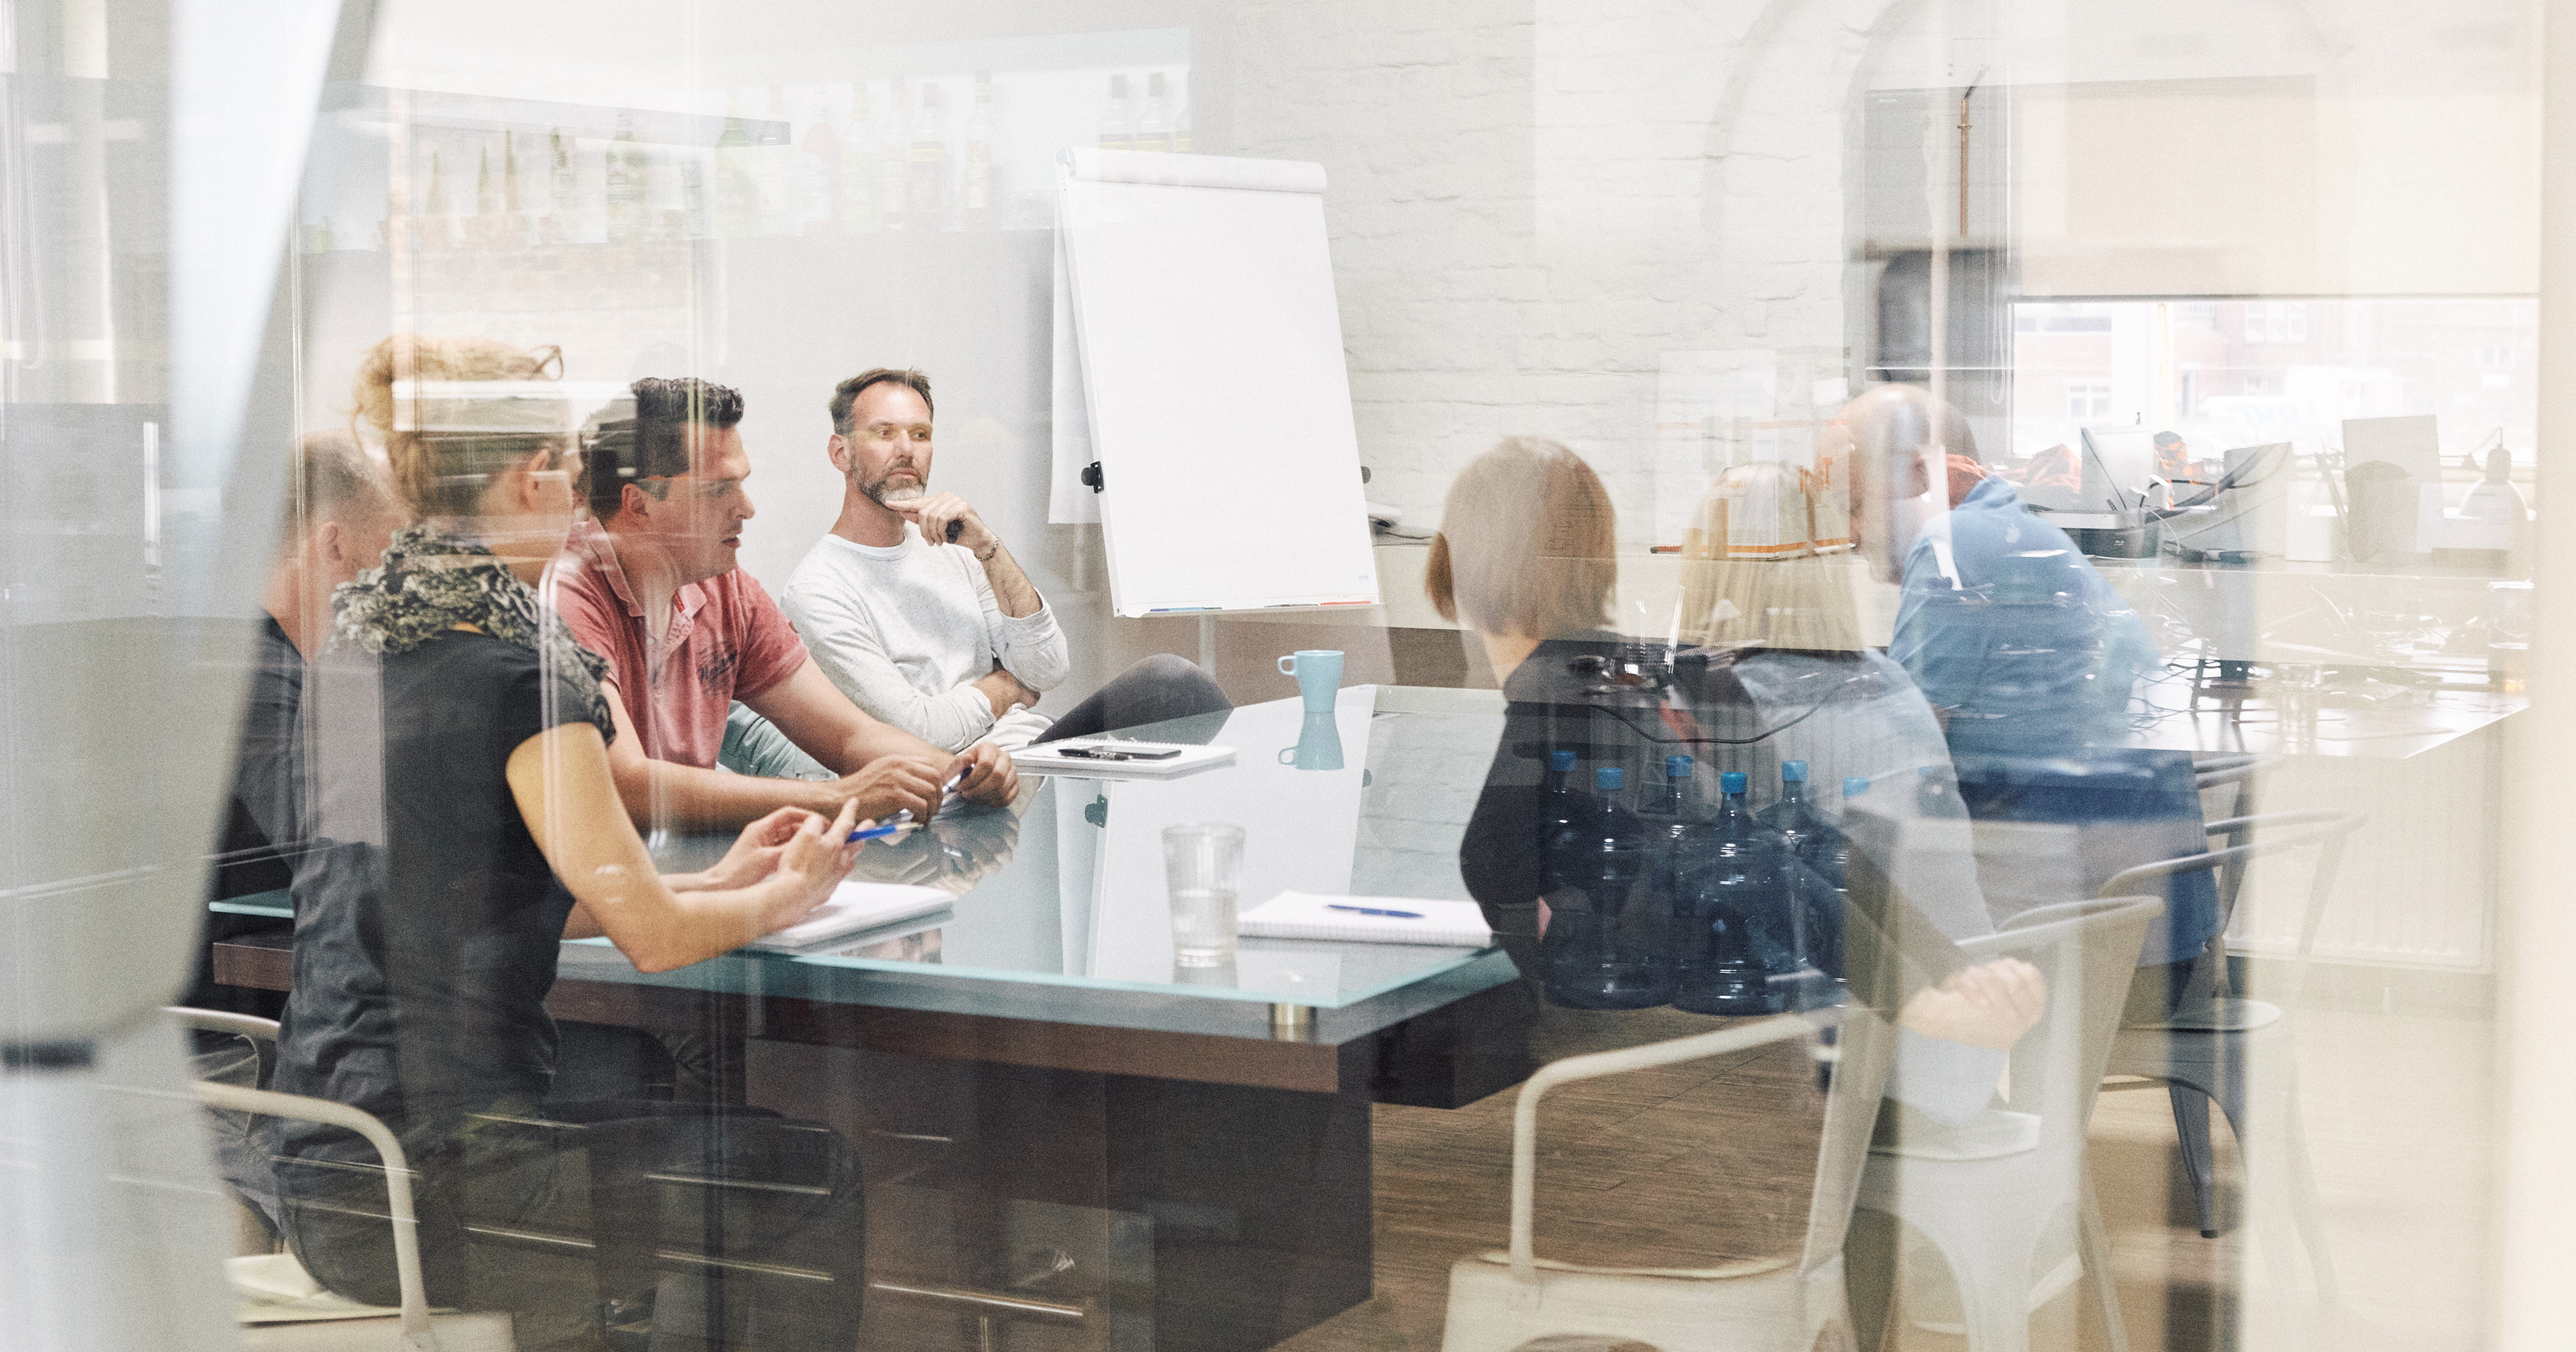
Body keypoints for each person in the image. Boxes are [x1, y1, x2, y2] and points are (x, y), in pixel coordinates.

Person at [269, 336, 873, 1351]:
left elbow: (468, 895)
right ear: (530, 478)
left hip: (325, 1164)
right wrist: (784, 895)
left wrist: (715, 880)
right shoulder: (521, 675)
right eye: (567, 467)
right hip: (452, 1187)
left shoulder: (363, 647)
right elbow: (654, 941)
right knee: (808, 1173)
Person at [1429, 436, 2043, 1058]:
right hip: (1786, 1020)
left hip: (1686, 1051)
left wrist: (1920, 994)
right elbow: (1808, 847)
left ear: (1464, 558)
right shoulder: (1651, 673)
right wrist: (1940, 970)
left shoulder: (1572, 687)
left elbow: (1754, 859)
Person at [551, 375, 1018, 831]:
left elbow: (849, 735)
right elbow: (625, 785)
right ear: (637, 504)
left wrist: (957, 773)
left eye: (741, 482)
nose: (746, 507)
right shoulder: (567, 595)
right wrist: (839, 798)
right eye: (718, 490)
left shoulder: (727, 589)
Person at [772, 366, 1229, 758]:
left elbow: (1048, 669)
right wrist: (1009, 688)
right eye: (884, 433)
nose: (907, 449)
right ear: (841, 453)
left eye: (921, 434)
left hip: (1031, 748)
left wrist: (988, 546)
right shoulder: (818, 590)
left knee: (1189, 701)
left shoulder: (956, 551)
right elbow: (921, 731)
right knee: (1171, 682)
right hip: (961, 783)